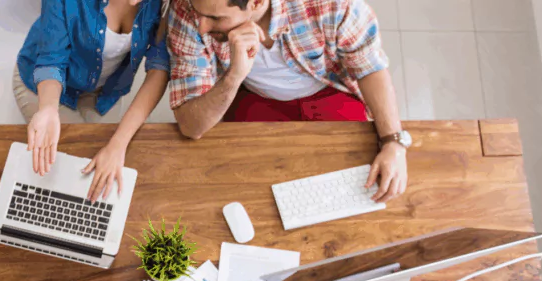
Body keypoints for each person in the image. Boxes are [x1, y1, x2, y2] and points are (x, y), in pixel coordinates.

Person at [167, 0, 410, 202]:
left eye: (215, 18)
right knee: (244, 187)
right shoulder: (188, 10)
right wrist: (234, 75)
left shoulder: (333, 4)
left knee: (354, 187)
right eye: (199, 15)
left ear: (258, 2)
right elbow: (191, 126)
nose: (201, 27)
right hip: (253, 98)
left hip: (329, 90)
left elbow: (369, 68)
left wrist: (393, 142)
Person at [15, 0, 170, 202]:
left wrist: (118, 144)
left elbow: (159, 68)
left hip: (103, 93)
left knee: (107, 165)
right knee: (70, 171)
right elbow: (51, 59)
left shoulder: (164, 4)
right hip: (44, 86)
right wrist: (48, 109)